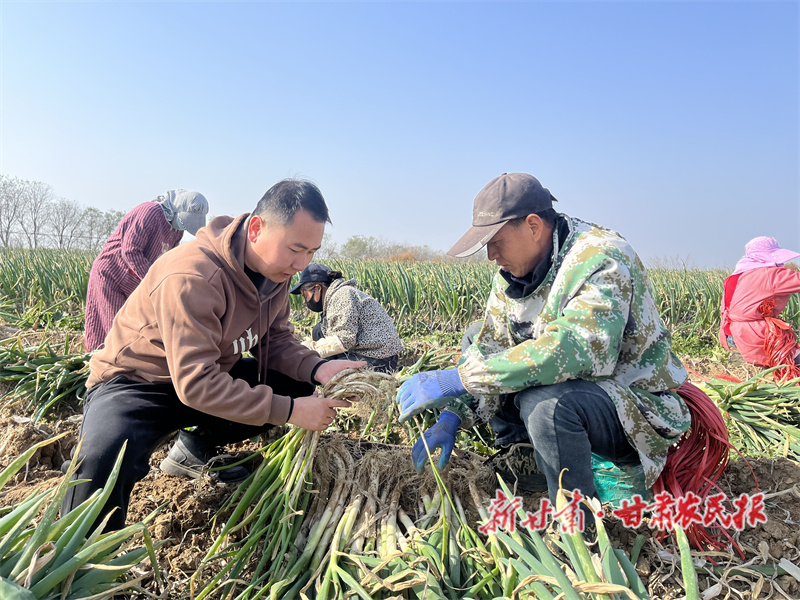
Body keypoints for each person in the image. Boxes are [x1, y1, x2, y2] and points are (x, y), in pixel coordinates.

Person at [61, 179, 366, 531]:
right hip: (137, 385)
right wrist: (293, 412)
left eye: (311, 253)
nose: (301, 264)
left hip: (205, 376)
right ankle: (80, 556)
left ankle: (194, 448)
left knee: (295, 382)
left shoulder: (275, 274)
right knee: (103, 456)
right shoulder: (193, 275)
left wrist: (318, 370)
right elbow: (197, 384)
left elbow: (276, 343)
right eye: (295, 249)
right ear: (256, 229)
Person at [396, 172, 690, 524]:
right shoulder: (512, 273)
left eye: (496, 241)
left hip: (629, 404)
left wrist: (462, 377)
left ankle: (578, 527)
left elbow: (577, 348)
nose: (490, 255)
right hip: (574, 386)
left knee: (546, 405)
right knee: (476, 335)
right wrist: (452, 415)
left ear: (533, 226)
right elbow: (490, 344)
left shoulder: (601, 257)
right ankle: (526, 454)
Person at [84, 190, 210, 351]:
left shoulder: (176, 230)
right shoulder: (150, 213)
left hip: (134, 281)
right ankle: (102, 368)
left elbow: (166, 260)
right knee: (113, 329)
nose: (185, 226)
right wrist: (154, 282)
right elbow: (130, 250)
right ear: (178, 209)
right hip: (112, 274)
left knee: (133, 328)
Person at [290, 263, 403, 373]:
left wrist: (309, 349)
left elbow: (345, 339)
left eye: (306, 295)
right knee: (319, 330)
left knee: (329, 372)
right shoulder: (334, 297)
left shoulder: (343, 295)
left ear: (318, 288)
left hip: (378, 357)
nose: (306, 301)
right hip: (362, 350)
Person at [719, 236, 800, 379]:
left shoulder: (736, 275)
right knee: (792, 364)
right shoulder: (769, 275)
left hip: (730, 333)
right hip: (755, 335)